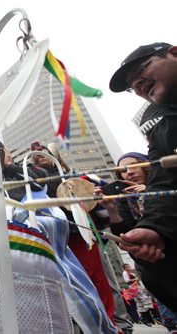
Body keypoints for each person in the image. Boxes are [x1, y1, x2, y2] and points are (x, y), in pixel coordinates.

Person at [109, 43, 177, 312]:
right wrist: (155, 229)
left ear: (173, 52)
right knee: (154, 268)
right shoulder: (158, 118)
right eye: (132, 87)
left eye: (142, 69)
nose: (137, 86)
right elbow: (164, 179)